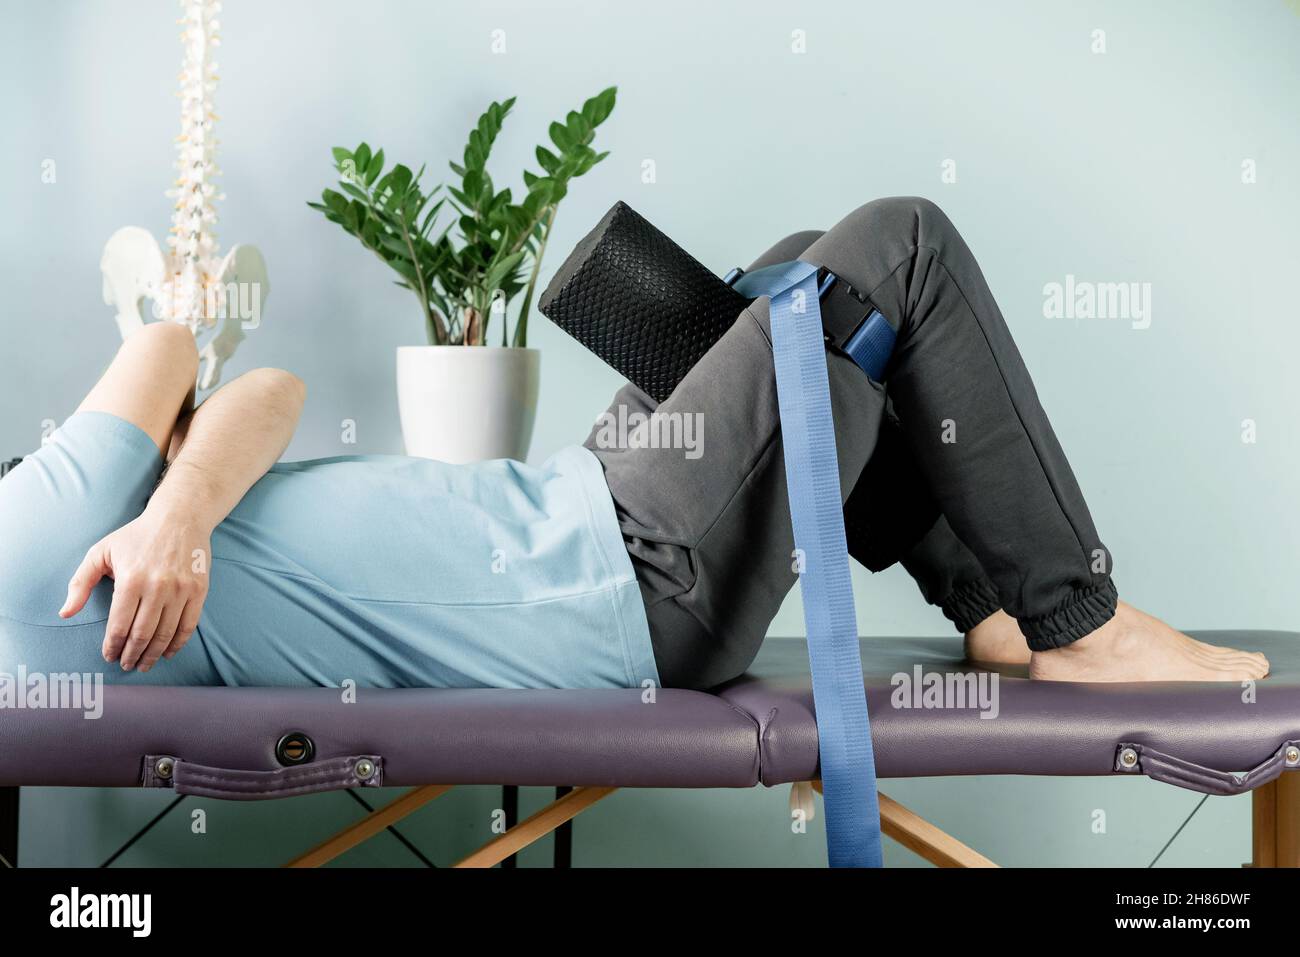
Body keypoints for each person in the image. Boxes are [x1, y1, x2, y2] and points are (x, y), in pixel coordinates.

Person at [0, 197, 1268, 690]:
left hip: (584, 523)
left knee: (788, 280)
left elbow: (263, 388)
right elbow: (180, 349)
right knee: (900, 248)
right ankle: (1079, 622)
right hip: (615, 572)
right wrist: (170, 501)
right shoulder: (25, 544)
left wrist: (176, 513)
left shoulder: (52, 529)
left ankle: (989, 598)